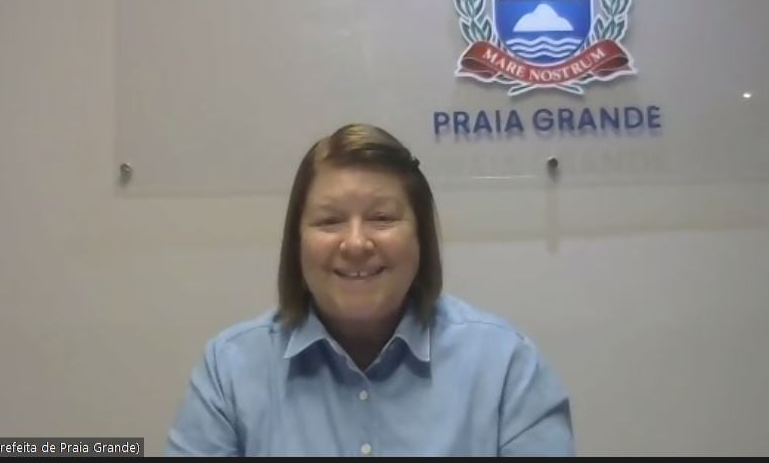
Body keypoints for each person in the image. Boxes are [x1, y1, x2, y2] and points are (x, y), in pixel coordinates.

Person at [166, 124, 574, 456]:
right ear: (296, 242)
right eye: (330, 221)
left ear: (421, 238)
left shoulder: (505, 366)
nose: (356, 244)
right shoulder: (230, 369)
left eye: (381, 217)